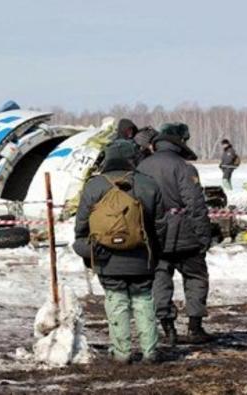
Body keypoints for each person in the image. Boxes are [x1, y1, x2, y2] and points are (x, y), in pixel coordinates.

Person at [73, 140, 165, 364]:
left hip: (106, 257)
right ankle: (150, 351)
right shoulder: (149, 184)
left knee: (116, 301)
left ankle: (121, 352)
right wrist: (153, 250)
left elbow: (81, 225)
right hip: (141, 256)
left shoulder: (94, 186)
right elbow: (160, 225)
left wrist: (90, 247)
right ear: (133, 159)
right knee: (143, 300)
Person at [137, 122, 212, 346]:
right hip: (185, 234)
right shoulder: (184, 168)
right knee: (196, 277)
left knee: (160, 279)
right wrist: (203, 235)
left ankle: (167, 328)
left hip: (154, 234)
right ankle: (195, 327)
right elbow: (195, 204)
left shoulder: (142, 167)